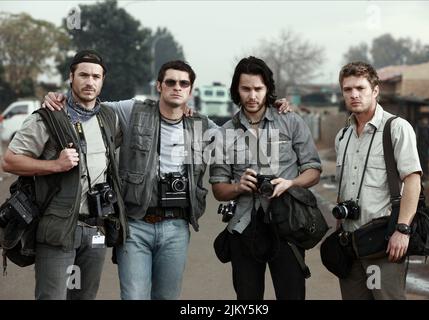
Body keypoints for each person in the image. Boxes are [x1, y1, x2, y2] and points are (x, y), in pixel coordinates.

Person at [43, 60, 292, 300]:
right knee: (134, 296)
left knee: (166, 296)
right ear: (159, 86)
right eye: (171, 82)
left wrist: (273, 107)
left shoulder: (202, 125)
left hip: (176, 227)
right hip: (135, 223)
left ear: (191, 90)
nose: (177, 87)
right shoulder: (134, 110)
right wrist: (61, 97)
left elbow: (243, 134)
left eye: (184, 84)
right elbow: (91, 105)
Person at [1, 50, 126, 300]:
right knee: (53, 297)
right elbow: (10, 161)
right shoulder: (47, 117)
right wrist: (55, 166)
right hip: (58, 228)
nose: (90, 82)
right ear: (71, 77)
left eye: (96, 76)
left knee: (84, 297)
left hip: (97, 229)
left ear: (103, 81)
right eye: (83, 75)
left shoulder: (109, 118)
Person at [209, 56, 321, 300]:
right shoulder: (225, 132)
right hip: (244, 226)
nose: (252, 96)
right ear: (236, 91)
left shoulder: (290, 121)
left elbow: (313, 170)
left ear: (268, 89)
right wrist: (238, 187)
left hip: (287, 225)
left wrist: (291, 183)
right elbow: (218, 189)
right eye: (246, 89)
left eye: (258, 89)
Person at [334, 61, 422, 300]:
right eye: (347, 89)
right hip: (351, 244)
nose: (353, 95)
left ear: (375, 91)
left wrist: (402, 230)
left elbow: (412, 181)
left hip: (384, 244)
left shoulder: (396, 128)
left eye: (360, 88)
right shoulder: (343, 135)